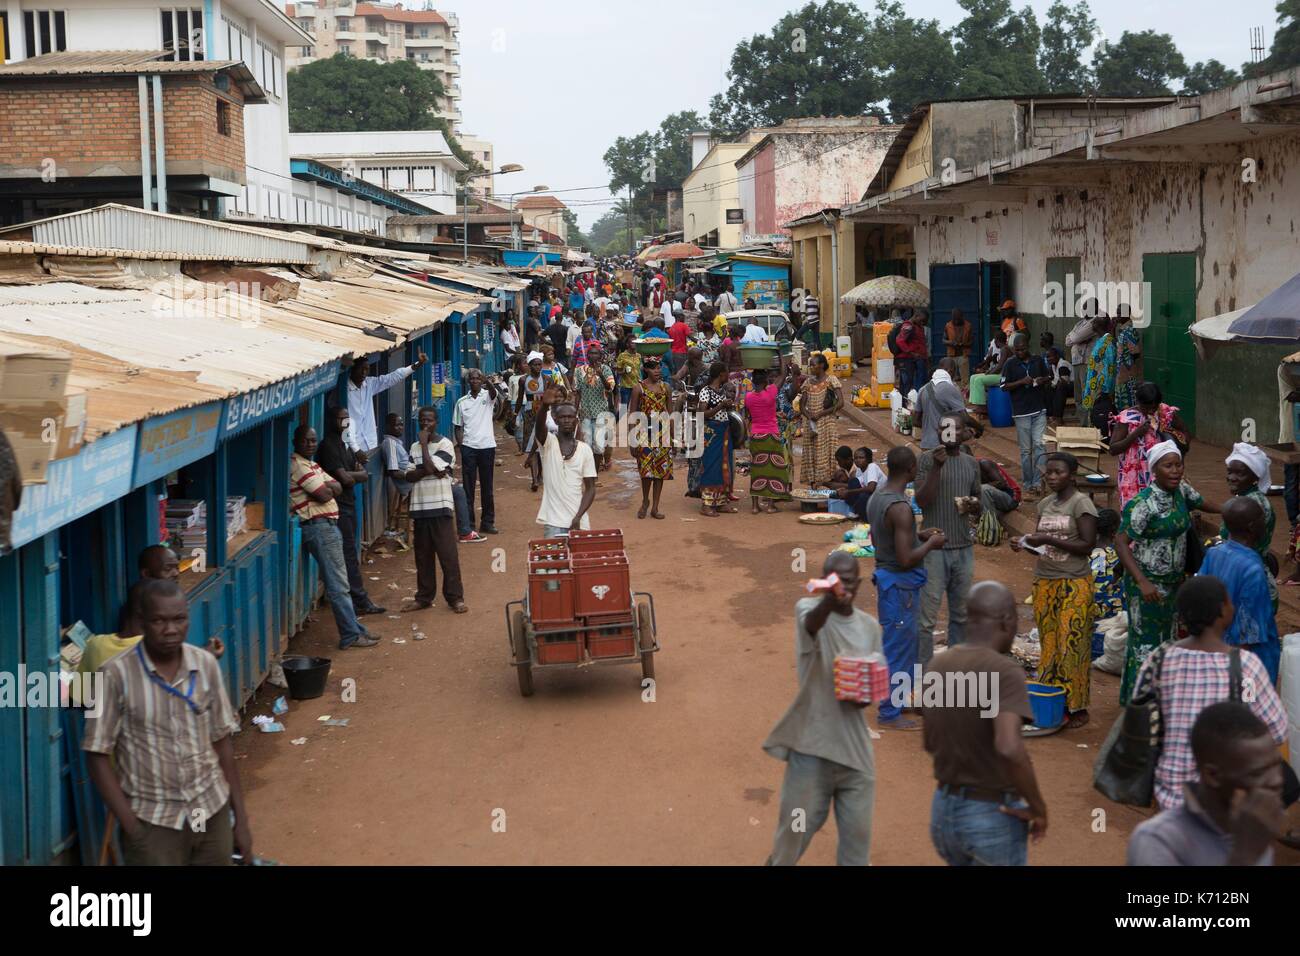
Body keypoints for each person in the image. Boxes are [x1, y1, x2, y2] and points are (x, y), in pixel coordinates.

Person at [83, 579, 250, 865]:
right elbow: (96, 754)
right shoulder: (113, 675)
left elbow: (222, 745)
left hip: (210, 813)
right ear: (143, 622)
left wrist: (241, 821)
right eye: (159, 621)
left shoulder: (205, 664)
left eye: (179, 619)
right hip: (153, 823)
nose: (170, 629)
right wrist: (133, 828)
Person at [763, 552, 882, 865]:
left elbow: (872, 689)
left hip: (856, 756)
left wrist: (862, 692)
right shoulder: (809, 610)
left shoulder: (870, 628)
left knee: (857, 848)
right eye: (837, 581)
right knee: (792, 838)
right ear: (826, 581)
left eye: (850, 582)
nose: (845, 588)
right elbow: (813, 624)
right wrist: (830, 598)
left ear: (859, 582)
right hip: (811, 751)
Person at [925, 581, 1046, 865]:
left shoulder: (937, 666)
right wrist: (1038, 808)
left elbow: (931, 742)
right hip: (991, 815)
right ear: (1006, 621)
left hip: (944, 812)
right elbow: (1009, 748)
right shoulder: (1005, 671)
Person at [1141, 573, 1287, 810]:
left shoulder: (1159, 661)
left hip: (1171, 795)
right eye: (1229, 601)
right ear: (1222, 612)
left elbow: (1143, 721)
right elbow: (1276, 730)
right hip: (1226, 801)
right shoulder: (1246, 667)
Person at [1115, 441, 1217, 703]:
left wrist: (1232, 511)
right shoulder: (1143, 503)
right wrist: (1143, 581)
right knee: (1145, 643)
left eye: (1178, 464)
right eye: (1168, 465)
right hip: (1146, 585)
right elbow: (1121, 543)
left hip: (1174, 582)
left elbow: (1204, 503)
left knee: (1168, 639)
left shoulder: (1181, 491)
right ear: (1154, 470)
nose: (1175, 471)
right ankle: (1139, 704)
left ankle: (1161, 698)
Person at [1127, 700, 1287, 865]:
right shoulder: (1157, 841)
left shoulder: (1254, 828)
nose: (1277, 780)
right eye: (1257, 773)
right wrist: (1246, 855)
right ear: (1212, 775)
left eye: (1276, 765)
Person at [1013, 453, 1098, 729]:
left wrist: (1048, 538)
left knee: (1072, 642)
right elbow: (1042, 546)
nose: (1051, 477)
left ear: (1072, 475)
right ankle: (1051, 699)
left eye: (1057, 472)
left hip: (1074, 581)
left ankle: (1077, 706)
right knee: (1049, 645)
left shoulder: (1081, 504)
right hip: (1045, 581)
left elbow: (1087, 545)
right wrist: (1023, 544)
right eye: (1048, 473)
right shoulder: (1045, 504)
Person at [868, 446, 946, 730]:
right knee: (900, 650)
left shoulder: (879, 497)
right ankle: (890, 713)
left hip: (888, 580)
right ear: (912, 470)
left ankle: (894, 703)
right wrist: (930, 544)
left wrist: (917, 535)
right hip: (900, 585)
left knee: (896, 645)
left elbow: (880, 540)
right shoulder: (900, 507)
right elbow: (905, 558)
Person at [290, 425, 378, 649]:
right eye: (306, 441)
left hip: (327, 525)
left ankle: (356, 629)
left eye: (312, 440)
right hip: (318, 526)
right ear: (296, 442)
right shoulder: (297, 465)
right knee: (338, 585)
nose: (310, 444)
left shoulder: (311, 464)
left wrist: (331, 487)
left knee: (341, 581)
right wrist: (330, 488)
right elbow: (324, 493)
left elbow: (337, 485)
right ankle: (350, 635)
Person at [915, 414, 982, 664]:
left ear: (964, 432)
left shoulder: (970, 463)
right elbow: (922, 501)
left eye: (955, 428)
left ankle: (955, 670)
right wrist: (936, 467)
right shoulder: (925, 459)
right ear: (937, 430)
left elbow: (978, 497)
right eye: (945, 428)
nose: (950, 433)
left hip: (963, 547)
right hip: (934, 551)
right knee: (927, 619)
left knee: (962, 615)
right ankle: (922, 673)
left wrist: (975, 506)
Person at [1200, 498, 1283, 684]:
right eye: (1262, 518)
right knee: (1248, 706)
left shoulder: (1214, 553)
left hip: (1217, 649)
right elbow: (1249, 630)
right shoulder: (1253, 568)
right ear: (1253, 527)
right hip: (1248, 661)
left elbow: (1199, 596)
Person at [316, 405, 387, 616]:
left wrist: (354, 475)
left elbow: (358, 473)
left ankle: (356, 598)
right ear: (332, 421)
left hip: (348, 504)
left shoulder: (345, 443)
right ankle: (359, 600)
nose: (345, 422)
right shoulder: (328, 445)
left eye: (347, 419)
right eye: (341, 419)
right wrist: (355, 475)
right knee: (346, 556)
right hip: (337, 509)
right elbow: (348, 477)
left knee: (349, 554)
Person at [401, 406, 468, 614]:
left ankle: (455, 598)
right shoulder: (412, 447)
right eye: (422, 420)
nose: (425, 424)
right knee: (422, 556)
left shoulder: (445, 444)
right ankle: (424, 597)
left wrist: (424, 447)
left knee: (448, 555)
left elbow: (429, 468)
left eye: (429, 420)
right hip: (420, 507)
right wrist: (429, 469)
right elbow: (409, 475)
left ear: (436, 421)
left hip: (440, 507)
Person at [1109, 382, 1188, 506]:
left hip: (1160, 472)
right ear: (1138, 402)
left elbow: (1184, 432)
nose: (1151, 410)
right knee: (1134, 510)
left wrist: (1179, 449)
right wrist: (1136, 434)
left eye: (1154, 406)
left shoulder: (1164, 413)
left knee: (1162, 507)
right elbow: (1113, 449)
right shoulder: (1126, 418)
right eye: (1146, 407)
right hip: (1133, 475)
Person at [533, 388, 597, 538]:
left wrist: (578, 518)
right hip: (553, 523)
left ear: (576, 419)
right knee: (555, 561)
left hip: (579, 522)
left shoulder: (585, 450)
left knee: (579, 561)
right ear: (555, 419)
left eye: (571, 416)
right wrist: (544, 407)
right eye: (563, 417)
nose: (567, 420)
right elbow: (539, 430)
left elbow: (590, 489)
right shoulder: (548, 443)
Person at [345, 351, 427, 454]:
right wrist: (354, 449)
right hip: (353, 447)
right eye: (360, 369)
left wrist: (416, 365)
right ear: (352, 369)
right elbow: (343, 422)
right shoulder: (344, 390)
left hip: (371, 443)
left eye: (366, 369)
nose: (363, 373)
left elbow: (392, 378)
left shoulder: (369, 384)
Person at [1000, 333, 1050, 497]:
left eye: (1022, 349)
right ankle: (1028, 483)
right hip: (1021, 412)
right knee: (1026, 450)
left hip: (1039, 409)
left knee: (1040, 446)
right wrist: (1022, 382)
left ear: (1028, 347)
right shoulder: (1010, 364)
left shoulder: (1037, 360)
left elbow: (1048, 377)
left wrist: (1040, 380)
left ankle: (1038, 482)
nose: (1019, 352)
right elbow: (1004, 386)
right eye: (1017, 350)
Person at [452, 369, 499, 536]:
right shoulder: (461, 402)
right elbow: (458, 427)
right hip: (469, 448)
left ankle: (487, 522)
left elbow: (494, 393)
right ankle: (469, 524)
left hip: (487, 446)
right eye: (472, 379)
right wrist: (462, 446)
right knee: (468, 488)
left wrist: (488, 381)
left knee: (487, 487)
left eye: (478, 378)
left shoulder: (487, 396)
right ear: (468, 382)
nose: (475, 381)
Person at [630, 357, 674, 519]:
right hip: (644, 433)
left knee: (660, 471)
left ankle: (655, 507)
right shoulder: (638, 388)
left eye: (659, 368)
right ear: (646, 370)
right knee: (646, 471)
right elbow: (633, 415)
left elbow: (670, 414)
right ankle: (645, 500)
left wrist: (673, 438)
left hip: (662, 434)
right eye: (654, 368)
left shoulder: (666, 388)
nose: (658, 371)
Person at [744, 366, 793, 513]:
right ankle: (770, 505)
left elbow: (749, 416)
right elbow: (782, 376)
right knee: (773, 469)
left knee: (757, 469)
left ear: (752, 381)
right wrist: (785, 363)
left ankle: (754, 506)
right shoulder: (771, 392)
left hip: (756, 435)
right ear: (765, 381)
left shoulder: (748, 397)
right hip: (772, 434)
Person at [1220, 442, 1275, 560]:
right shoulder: (1244, 498)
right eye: (1229, 472)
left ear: (1255, 477)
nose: (1231, 478)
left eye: (1239, 473)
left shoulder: (1253, 504)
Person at [697, 362, 738, 517]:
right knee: (711, 465)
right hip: (712, 432)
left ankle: (720, 502)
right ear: (721, 374)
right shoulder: (705, 391)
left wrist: (726, 406)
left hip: (723, 431)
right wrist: (721, 406)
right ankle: (706, 504)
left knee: (724, 466)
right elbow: (702, 414)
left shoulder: (720, 391)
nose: (728, 375)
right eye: (726, 372)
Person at [799, 353, 843, 486]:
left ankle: (829, 483)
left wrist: (821, 413)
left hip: (827, 423)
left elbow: (840, 403)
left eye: (813, 364)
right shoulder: (807, 382)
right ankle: (814, 484)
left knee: (828, 452)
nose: (811, 367)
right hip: (811, 424)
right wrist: (809, 415)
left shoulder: (831, 380)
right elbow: (801, 405)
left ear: (822, 365)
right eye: (810, 364)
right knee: (811, 452)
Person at [1089, 508, 1126, 659]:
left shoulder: (1088, 551)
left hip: (1091, 611)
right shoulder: (1118, 554)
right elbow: (1102, 585)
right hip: (1112, 614)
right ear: (1114, 530)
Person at [574, 343, 616, 471]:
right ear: (587, 355)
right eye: (591, 353)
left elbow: (610, 388)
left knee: (598, 446)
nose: (593, 356)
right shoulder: (579, 371)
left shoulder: (606, 369)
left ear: (600, 355)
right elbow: (578, 392)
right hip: (585, 412)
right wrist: (575, 412)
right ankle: (590, 473)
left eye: (596, 353)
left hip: (601, 413)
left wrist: (600, 374)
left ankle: (595, 474)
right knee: (587, 445)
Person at [914, 359, 967, 451]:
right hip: (946, 445)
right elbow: (964, 417)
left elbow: (915, 421)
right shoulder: (952, 388)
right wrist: (978, 428)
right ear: (951, 371)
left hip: (926, 444)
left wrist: (930, 428)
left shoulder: (922, 389)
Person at [1065, 307, 1100, 426]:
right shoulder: (1080, 323)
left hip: (1087, 363)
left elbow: (1074, 338)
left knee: (1087, 394)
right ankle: (1083, 423)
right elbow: (1068, 341)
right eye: (1084, 308)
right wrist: (1077, 338)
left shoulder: (1094, 322)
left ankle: (1088, 423)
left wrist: (1076, 338)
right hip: (1077, 361)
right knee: (1078, 396)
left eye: (1087, 308)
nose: (1085, 311)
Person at [1081, 317, 1116, 431]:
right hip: (1093, 385)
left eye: (1094, 323)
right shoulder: (1100, 340)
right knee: (1093, 414)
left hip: (1101, 389)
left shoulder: (1108, 342)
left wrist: (1105, 389)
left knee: (1100, 416)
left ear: (1099, 325)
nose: (1092, 325)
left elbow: (1110, 367)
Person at [969, 331, 1010, 414]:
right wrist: (989, 371)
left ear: (996, 341)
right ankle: (977, 404)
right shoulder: (1003, 349)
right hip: (999, 374)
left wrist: (990, 373)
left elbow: (1000, 366)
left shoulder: (1004, 349)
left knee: (978, 380)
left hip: (1003, 376)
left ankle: (983, 407)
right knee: (973, 377)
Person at [978, 457, 1021, 535]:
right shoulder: (966, 469)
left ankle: (992, 529)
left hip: (1011, 498)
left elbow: (1001, 483)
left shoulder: (984, 463)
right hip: (995, 499)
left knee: (983, 489)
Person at [895, 310, 929, 398]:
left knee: (910, 382)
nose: (923, 323)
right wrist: (911, 352)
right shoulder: (908, 326)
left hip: (916, 359)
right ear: (916, 316)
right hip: (907, 359)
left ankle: (906, 402)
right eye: (921, 320)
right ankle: (906, 403)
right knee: (907, 383)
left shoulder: (917, 326)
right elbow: (900, 340)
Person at [1113, 307, 1143, 410]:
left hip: (1127, 373)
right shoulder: (1123, 330)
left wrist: (1128, 368)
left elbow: (1135, 353)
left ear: (1127, 314)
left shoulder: (1129, 331)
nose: (1117, 316)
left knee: (1128, 402)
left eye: (1120, 313)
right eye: (1117, 313)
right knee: (1121, 401)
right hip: (1122, 372)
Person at [614, 338, 642, 420]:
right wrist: (624, 371)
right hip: (626, 386)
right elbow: (618, 371)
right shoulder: (622, 355)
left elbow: (639, 369)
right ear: (627, 344)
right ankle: (614, 424)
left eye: (635, 343)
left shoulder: (639, 356)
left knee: (638, 408)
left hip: (637, 385)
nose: (634, 344)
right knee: (624, 409)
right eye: (632, 343)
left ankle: (635, 427)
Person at [943, 309, 973, 385]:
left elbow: (972, 341)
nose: (956, 321)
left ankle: (965, 394)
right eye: (954, 319)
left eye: (958, 319)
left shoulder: (968, 326)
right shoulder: (948, 325)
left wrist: (963, 344)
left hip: (963, 355)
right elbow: (944, 340)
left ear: (962, 317)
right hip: (951, 356)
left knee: (965, 379)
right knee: (950, 378)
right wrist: (951, 342)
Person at [1044, 346, 1072, 425]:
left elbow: (1064, 381)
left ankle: (1059, 417)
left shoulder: (1063, 364)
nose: (1048, 359)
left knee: (1060, 387)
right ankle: (1050, 415)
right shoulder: (1053, 366)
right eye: (1047, 357)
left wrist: (1053, 385)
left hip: (1071, 387)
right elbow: (1052, 380)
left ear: (1057, 356)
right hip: (1062, 387)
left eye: (1050, 356)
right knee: (1048, 387)